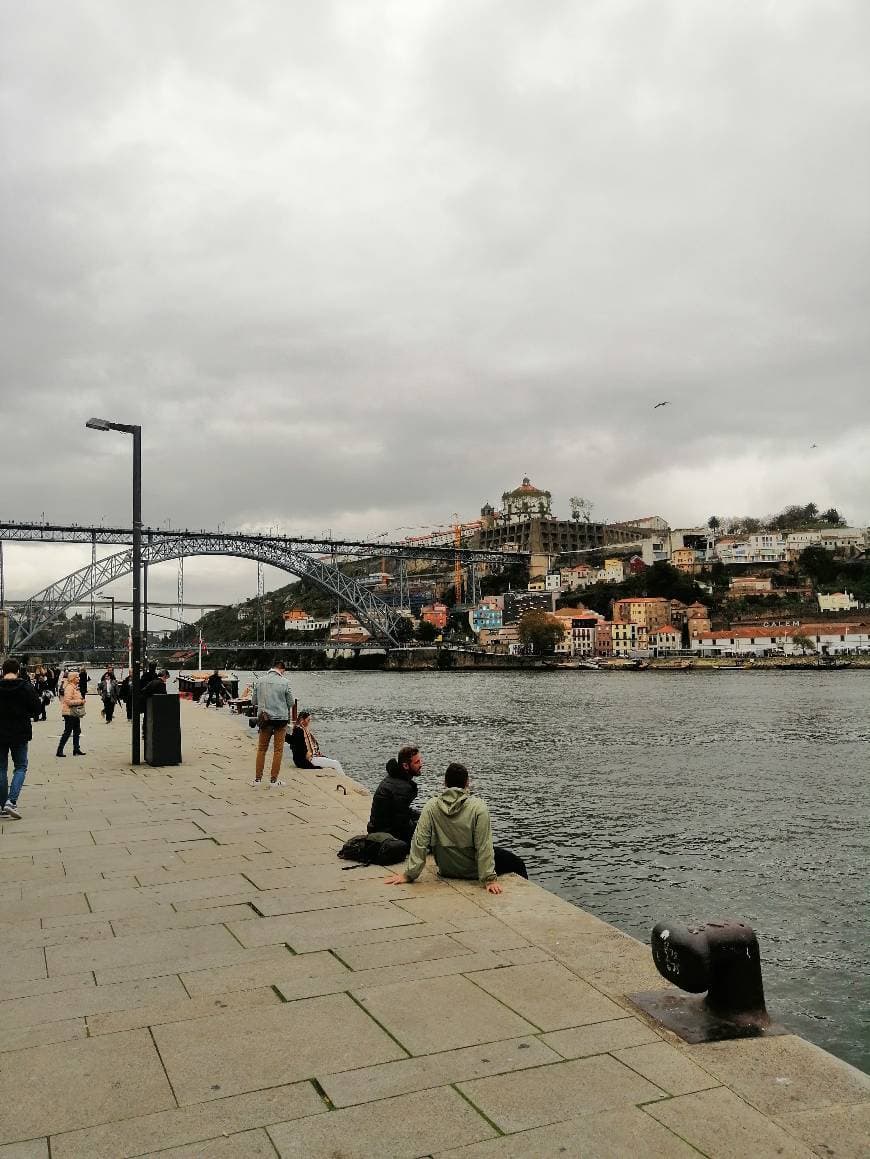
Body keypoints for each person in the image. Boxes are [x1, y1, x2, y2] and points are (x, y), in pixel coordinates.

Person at [385, 762, 527, 894]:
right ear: (467, 783)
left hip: (446, 868)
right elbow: (484, 847)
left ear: (445, 783)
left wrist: (409, 874)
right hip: (473, 869)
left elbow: (419, 842)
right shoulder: (478, 808)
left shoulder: (431, 806)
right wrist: (488, 879)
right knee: (517, 863)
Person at [0, 658, 43, 819]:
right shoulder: (25, 687)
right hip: (20, 733)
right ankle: (11, 801)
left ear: (3, 671)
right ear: (18, 671)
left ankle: (3, 805)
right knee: (20, 767)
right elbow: (37, 709)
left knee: (0, 768)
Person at [367, 745, 423, 844]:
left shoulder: (394, 777)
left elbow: (402, 811)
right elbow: (402, 822)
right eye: (417, 762)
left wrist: (423, 815)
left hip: (376, 828)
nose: (421, 764)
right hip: (387, 833)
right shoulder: (402, 787)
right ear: (405, 766)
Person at [250, 660, 293, 787]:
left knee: (262, 749)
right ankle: (273, 781)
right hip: (281, 721)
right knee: (278, 750)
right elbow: (291, 703)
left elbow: (253, 701)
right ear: (282, 670)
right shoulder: (285, 682)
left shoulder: (260, 681)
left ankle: (257, 780)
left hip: (265, 720)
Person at [290, 710, 344, 775]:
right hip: (308, 759)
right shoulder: (299, 731)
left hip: (310, 757)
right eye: (308, 720)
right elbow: (300, 749)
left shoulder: (301, 729)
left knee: (333, 764)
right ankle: (345, 782)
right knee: (336, 763)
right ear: (302, 720)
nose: (309, 722)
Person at [56, 671, 86, 758]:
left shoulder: (75, 687)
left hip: (74, 712)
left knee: (77, 731)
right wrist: (80, 701)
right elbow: (67, 701)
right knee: (68, 732)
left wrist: (81, 700)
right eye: (77, 677)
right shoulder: (69, 687)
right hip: (69, 712)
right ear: (72, 678)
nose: (79, 678)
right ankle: (59, 750)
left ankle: (76, 749)